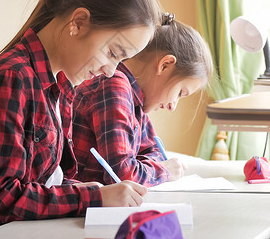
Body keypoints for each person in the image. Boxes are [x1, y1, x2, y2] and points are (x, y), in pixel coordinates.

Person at [0, 0, 162, 239]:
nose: (110, 71)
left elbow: (42, 180)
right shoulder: (12, 79)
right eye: (113, 52)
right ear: (78, 23)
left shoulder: (59, 87)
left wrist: (89, 190)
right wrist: (91, 196)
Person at [72, 13, 214, 187]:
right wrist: (165, 170)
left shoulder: (136, 103)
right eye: (180, 93)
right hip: (86, 202)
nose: (172, 106)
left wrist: (152, 165)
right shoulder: (114, 86)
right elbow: (126, 175)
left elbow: (154, 152)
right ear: (165, 65)